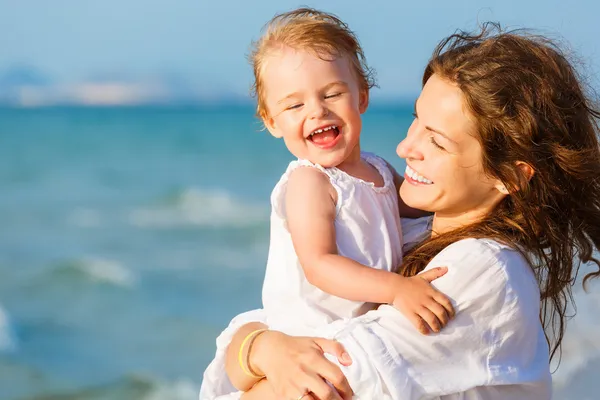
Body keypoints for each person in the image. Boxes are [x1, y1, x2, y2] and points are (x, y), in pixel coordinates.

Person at [199, 22, 600, 400]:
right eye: (416, 121)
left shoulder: (482, 270)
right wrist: (264, 347)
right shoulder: (409, 230)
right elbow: (283, 304)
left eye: (438, 142)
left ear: (510, 176)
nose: (405, 148)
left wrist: (257, 353)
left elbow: (324, 384)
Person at [238, 6, 453, 340]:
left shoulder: (377, 169)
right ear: (272, 122)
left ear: (361, 97)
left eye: (333, 94)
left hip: (361, 325)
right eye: (295, 105)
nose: (317, 110)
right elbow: (319, 264)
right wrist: (397, 288)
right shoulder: (309, 182)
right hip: (313, 332)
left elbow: (421, 206)